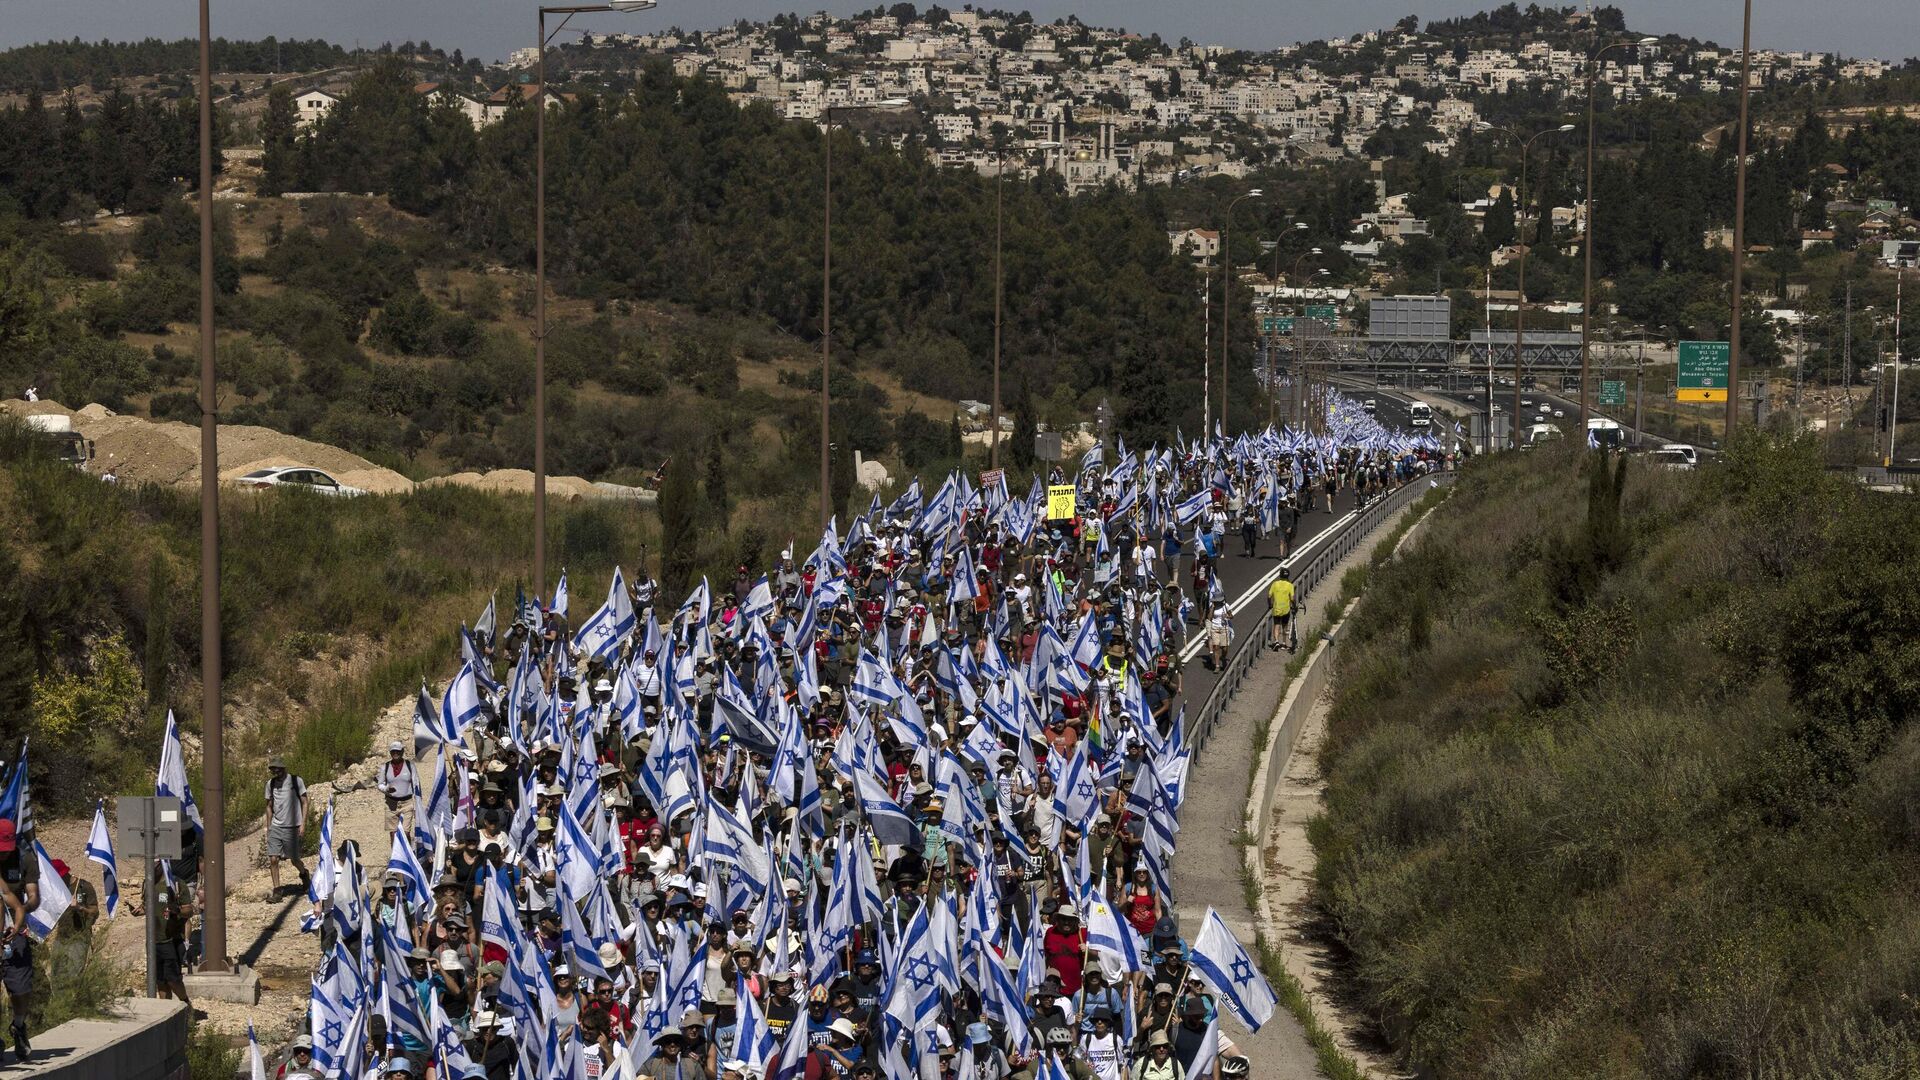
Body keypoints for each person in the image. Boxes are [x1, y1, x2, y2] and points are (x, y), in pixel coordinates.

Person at [264, 756, 310, 899]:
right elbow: (269, 806)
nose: (275, 772)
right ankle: (277, 890)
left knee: (294, 859)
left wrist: (303, 823)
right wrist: (268, 826)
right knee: (273, 859)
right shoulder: (270, 784)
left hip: (293, 827)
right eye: (273, 770)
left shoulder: (296, 781)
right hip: (276, 826)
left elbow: (305, 802)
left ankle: (304, 874)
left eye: (277, 769)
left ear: (283, 768)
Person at [376, 742, 418, 833]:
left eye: (398, 751)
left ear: (402, 751)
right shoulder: (385, 767)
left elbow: (416, 785)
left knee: (406, 832)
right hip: (391, 804)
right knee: (393, 832)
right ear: (390, 753)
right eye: (393, 751)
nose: (395, 753)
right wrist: (387, 789)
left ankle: (408, 847)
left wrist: (417, 805)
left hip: (407, 803)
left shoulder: (410, 765)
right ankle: (393, 848)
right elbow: (379, 784)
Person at [1266, 569, 1295, 653]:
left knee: (1276, 625)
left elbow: (1269, 596)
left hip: (1276, 608)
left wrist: (1270, 605)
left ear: (1280, 575)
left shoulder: (1275, 584)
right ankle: (1284, 643)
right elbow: (1292, 598)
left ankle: (1276, 641)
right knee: (1285, 626)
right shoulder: (1290, 585)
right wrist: (1294, 606)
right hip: (1286, 609)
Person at [1205, 603, 1232, 672]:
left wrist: (1227, 616)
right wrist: (1212, 608)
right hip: (1215, 628)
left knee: (1225, 648)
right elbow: (1209, 617)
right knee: (1216, 647)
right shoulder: (1213, 606)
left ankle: (1223, 657)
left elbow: (1231, 616)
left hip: (1224, 628)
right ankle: (1217, 666)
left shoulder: (1226, 606)